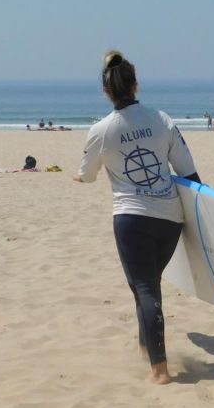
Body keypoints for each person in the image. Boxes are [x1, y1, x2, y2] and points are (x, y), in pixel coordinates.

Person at [75, 50, 201, 385]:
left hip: (131, 218)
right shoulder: (161, 120)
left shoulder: (101, 131)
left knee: (145, 287)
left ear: (106, 91)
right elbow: (190, 173)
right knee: (147, 284)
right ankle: (147, 346)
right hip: (170, 219)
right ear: (135, 84)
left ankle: (159, 370)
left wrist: (85, 174)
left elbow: (86, 176)